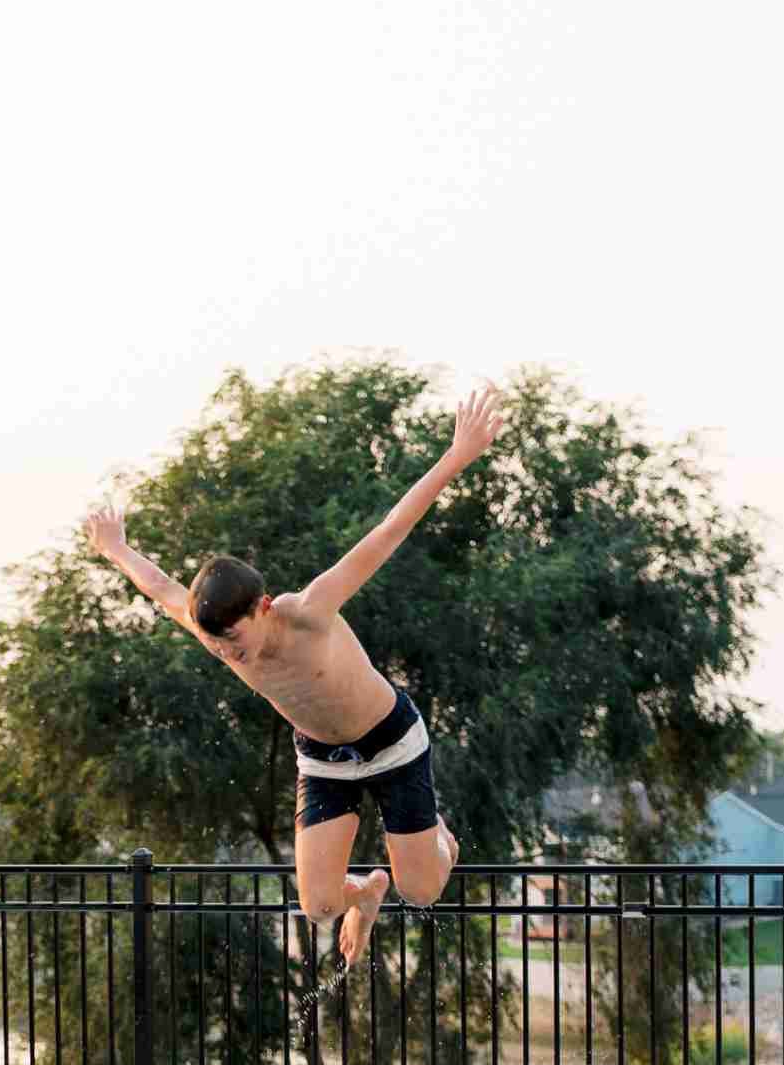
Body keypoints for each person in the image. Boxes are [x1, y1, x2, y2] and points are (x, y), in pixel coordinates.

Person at [84, 385, 505, 967]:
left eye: (231, 637)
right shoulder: (214, 629)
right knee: (319, 903)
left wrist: (458, 454)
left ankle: (439, 840)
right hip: (322, 757)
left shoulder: (311, 611)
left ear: (261, 609)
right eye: (214, 640)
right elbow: (160, 588)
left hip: (391, 741)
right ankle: (368, 891)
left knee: (424, 890)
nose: (225, 652)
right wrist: (116, 549)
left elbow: (391, 528)